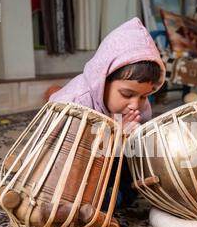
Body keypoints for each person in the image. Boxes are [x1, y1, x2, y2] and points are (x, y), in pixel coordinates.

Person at [49, 17, 166, 209]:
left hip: (110, 162)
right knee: (76, 199)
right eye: (127, 94)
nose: (135, 104)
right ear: (102, 80)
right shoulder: (74, 103)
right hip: (74, 165)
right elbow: (63, 155)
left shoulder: (139, 106)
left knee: (139, 156)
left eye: (144, 96)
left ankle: (116, 193)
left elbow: (140, 149)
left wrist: (131, 137)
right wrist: (111, 134)